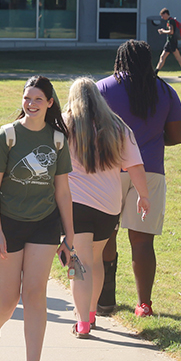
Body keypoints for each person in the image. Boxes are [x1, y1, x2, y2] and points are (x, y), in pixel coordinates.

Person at [0, 75, 75, 361]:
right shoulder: (7, 136)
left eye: (37, 99)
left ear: (49, 103)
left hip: (43, 222)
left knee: (35, 295)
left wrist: (69, 238)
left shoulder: (58, 139)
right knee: (6, 300)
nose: (30, 104)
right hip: (6, 222)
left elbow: (63, 192)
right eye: (26, 98)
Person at [97, 40, 181, 318]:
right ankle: (143, 304)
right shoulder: (165, 91)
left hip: (108, 169)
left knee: (104, 235)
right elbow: (177, 136)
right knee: (143, 242)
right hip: (149, 170)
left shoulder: (102, 88)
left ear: (119, 60)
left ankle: (105, 299)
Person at [63, 77, 149, 338]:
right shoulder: (117, 126)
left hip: (74, 203)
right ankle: (90, 314)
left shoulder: (66, 124)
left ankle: (82, 323)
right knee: (96, 260)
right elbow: (135, 165)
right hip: (109, 205)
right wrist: (143, 196)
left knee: (79, 262)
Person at [155, 8, 181, 78]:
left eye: (162, 15)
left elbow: (171, 31)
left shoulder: (170, 21)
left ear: (166, 14)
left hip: (171, 42)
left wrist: (163, 31)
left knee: (175, 57)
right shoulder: (171, 20)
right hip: (171, 41)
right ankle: (155, 72)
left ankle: (155, 72)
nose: (162, 17)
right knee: (164, 57)